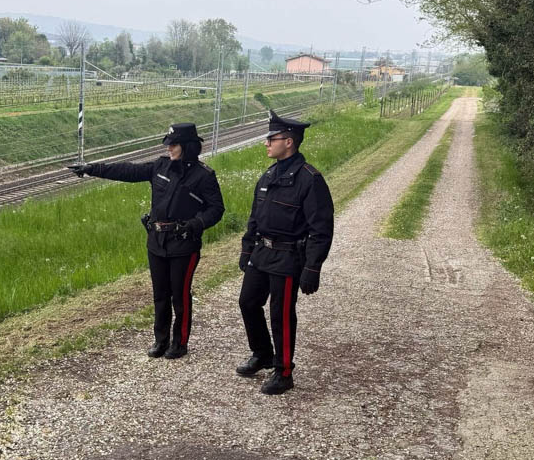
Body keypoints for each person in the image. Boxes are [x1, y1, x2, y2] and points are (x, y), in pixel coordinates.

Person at [68, 123, 224, 359]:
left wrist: (195, 224)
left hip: (184, 245)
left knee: (180, 296)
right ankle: (161, 341)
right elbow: (128, 171)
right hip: (157, 242)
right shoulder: (161, 166)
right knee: (160, 295)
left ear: (188, 146)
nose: (169, 148)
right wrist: (92, 169)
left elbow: (216, 209)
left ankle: (179, 343)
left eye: (173, 144)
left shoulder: (204, 176)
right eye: (168, 144)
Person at [237, 109, 334, 394]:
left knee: (280, 314)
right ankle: (262, 354)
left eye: (272, 139)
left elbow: (321, 228)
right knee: (248, 303)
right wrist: (247, 249)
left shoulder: (310, 179)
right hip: (262, 253)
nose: (266, 143)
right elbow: (255, 216)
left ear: (288, 142)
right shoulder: (269, 175)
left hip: (288, 257)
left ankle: (284, 371)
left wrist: (313, 267)